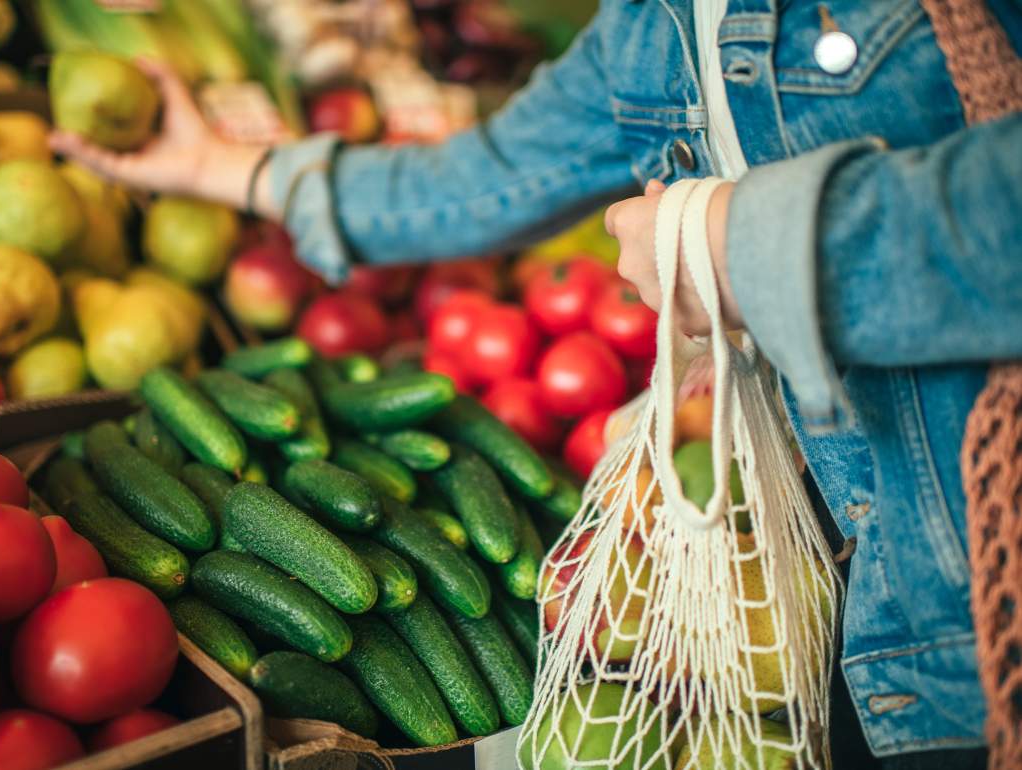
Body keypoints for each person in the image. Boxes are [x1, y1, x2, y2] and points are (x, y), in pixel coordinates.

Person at [53, 0, 1022, 766]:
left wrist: (748, 246)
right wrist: (220, 166)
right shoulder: (653, 25)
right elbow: (487, 176)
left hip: (980, 607)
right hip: (871, 615)